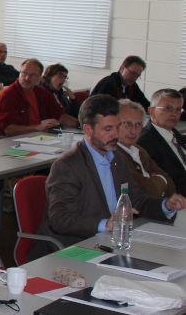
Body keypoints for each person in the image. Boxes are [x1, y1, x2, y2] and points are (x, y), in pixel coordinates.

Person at [31, 95, 186, 260]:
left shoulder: (117, 158)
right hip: (73, 248)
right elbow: (60, 219)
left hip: (110, 243)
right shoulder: (68, 165)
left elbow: (135, 198)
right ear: (88, 130)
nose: (115, 135)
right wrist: (106, 224)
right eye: (108, 129)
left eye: (118, 127)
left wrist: (165, 205)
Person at [0, 59, 79, 136]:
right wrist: (38, 127)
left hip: (41, 137)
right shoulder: (9, 95)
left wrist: (80, 124)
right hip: (16, 141)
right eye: (24, 73)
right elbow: (9, 130)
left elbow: (60, 115)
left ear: (39, 78)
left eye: (33, 75)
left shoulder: (43, 94)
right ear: (20, 73)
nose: (27, 78)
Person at [118, 100, 177, 199]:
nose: (133, 131)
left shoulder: (139, 150)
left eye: (138, 125)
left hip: (159, 208)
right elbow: (146, 190)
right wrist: (161, 180)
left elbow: (171, 185)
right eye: (128, 124)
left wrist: (158, 181)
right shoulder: (113, 154)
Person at [137, 89, 186, 196]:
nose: (174, 114)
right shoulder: (145, 142)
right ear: (152, 111)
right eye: (167, 108)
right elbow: (164, 185)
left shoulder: (173, 133)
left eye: (178, 110)